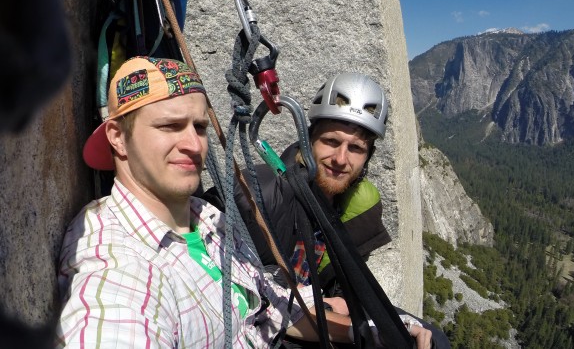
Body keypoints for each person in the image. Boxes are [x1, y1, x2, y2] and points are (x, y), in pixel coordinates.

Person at [55, 57, 363, 348]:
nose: (194, 145)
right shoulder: (117, 260)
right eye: (169, 126)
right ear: (118, 137)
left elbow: (271, 307)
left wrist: (372, 331)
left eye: (199, 127)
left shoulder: (207, 217)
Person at [227, 72, 447, 348]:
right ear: (309, 140)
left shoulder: (356, 207)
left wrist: (342, 302)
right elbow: (240, 299)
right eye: (331, 141)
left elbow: (346, 279)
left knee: (431, 339)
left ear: (367, 157)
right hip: (271, 327)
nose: (341, 159)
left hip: (319, 313)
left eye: (355, 148)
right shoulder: (260, 194)